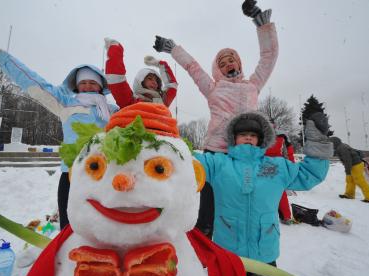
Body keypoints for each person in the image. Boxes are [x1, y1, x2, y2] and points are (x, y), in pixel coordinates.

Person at [153, 0, 278, 238]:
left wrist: (262, 25)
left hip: (245, 152)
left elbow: (268, 58)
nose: (229, 63)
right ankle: (202, 247)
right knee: (207, 208)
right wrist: (173, 48)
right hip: (216, 152)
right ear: (217, 69)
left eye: (232, 59)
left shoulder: (253, 85)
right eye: (223, 62)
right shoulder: (213, 87)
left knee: (241, 204)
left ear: (239, 63)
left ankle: (242, 246)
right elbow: (192, 67)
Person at [0, 42, 119, 229]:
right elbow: (33, 83)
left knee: (107, 226)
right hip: (72, 174)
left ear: (101, 86)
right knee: (70, 229)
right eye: (83, 82)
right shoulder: (65, 102)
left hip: (106, 173)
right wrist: (2, 58)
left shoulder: (112, 109)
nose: (87, 86)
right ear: (76, 85)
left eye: (92, 82)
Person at [194, 111, 333, 276]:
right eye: (243, 134)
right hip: (228, 251)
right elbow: (187, 163)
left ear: (261, 139)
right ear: (233, 138)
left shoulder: (276, 167)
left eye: (253, 135)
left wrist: (318, 142)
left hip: (264, 252)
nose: (248, 138)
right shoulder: (218, 163)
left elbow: (310, 174)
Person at [104, 38, 178, 109]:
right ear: (140, 81)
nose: (155, 82)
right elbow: (116, 79)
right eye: (150, 78)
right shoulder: (130, 101)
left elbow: (172, 85)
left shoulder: (162, 101)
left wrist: (161, 64)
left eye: (156, 81)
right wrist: (115, 48)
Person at [329, 136, 369, 204]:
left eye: (331, 143)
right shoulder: (340, 146)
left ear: (334, 143)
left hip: (356, 165)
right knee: (350, 180)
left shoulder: (342, 148)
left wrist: (347, 171)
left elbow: (347, 161)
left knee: (361, 182)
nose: (330, 145)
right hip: (354, 165)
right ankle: (349, 194)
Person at [265, 122, 296, 225]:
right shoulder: (282, 136)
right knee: (280, 191)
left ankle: (264, 216)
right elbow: (289, 151)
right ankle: (286, 216)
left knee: (262, 191)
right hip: (279, 165)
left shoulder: (261, 135)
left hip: (264, 164)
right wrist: (291, 165)